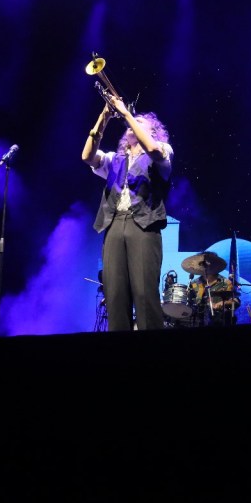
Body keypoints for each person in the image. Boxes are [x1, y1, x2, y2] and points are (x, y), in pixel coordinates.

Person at [82, 95, 173, 332]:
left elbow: (152, 149)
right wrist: (104, 116)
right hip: (114, 225)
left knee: (144, 293)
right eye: (134, 121)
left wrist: (126, 114)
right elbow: (87, 156)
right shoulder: (115, 158)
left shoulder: (162, 150)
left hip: (143, 226)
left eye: (141, 122)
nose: (133, 123)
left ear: (153, 131)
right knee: (115, 295)